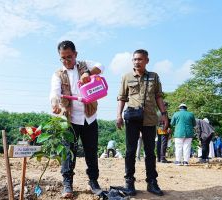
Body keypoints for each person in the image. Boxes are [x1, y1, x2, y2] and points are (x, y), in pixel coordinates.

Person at [50, 40, 104, 198]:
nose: (66, 61)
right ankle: (67, 185)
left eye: (69, 57)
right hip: (70, 119)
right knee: (68, 152)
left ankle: (93, 182)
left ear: (75, 54)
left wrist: (89, 73)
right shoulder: (58, 74)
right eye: (63, 58)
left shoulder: (84, 65)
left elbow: (102, 66)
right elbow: (54, 93)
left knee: (91, 151)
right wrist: (55, 104)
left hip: (89, 117)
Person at [116, 49, 167, 196]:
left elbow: (158, 96)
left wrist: (163, 114)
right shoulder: (127, 77)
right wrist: (118, 115)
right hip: (132, 118)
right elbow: (122, 98)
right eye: (134, 59)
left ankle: (152, 182)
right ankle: (129, 182)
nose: (137, 62)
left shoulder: (154, 76)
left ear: (146, 61)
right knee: (130, 151)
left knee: (150, 152)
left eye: (140, 59)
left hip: (150, 118)